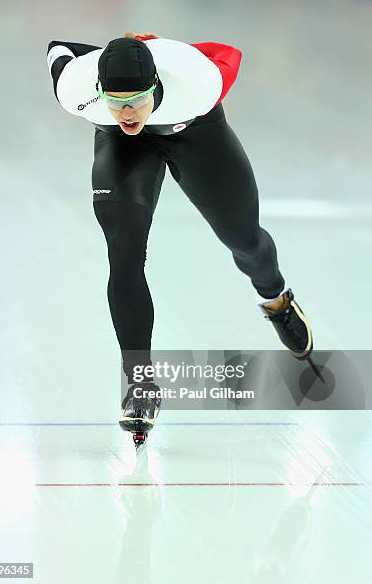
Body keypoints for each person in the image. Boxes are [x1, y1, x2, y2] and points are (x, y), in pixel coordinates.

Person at [46, 31, 313, 441]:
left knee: (244, 240)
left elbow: (228, 55)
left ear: (156, 86)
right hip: (122, 147)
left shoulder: (197, 82)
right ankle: (139, 384)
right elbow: (58, 50)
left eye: (136, 99)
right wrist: (93, 56)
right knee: (123, 252)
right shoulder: (77, 89)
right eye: (116, 102)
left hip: (195, 131)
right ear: (99, 91)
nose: (129, 112)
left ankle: (276, 299)